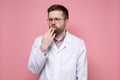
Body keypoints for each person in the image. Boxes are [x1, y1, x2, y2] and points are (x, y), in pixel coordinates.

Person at [28, 4, 88, 80]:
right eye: (50, 19)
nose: (53, 22)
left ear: (66, 21)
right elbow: (34, 70)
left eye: (56, 19)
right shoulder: (39, 41)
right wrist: (43, 47)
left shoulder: (78, 44)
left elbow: (82, 76)